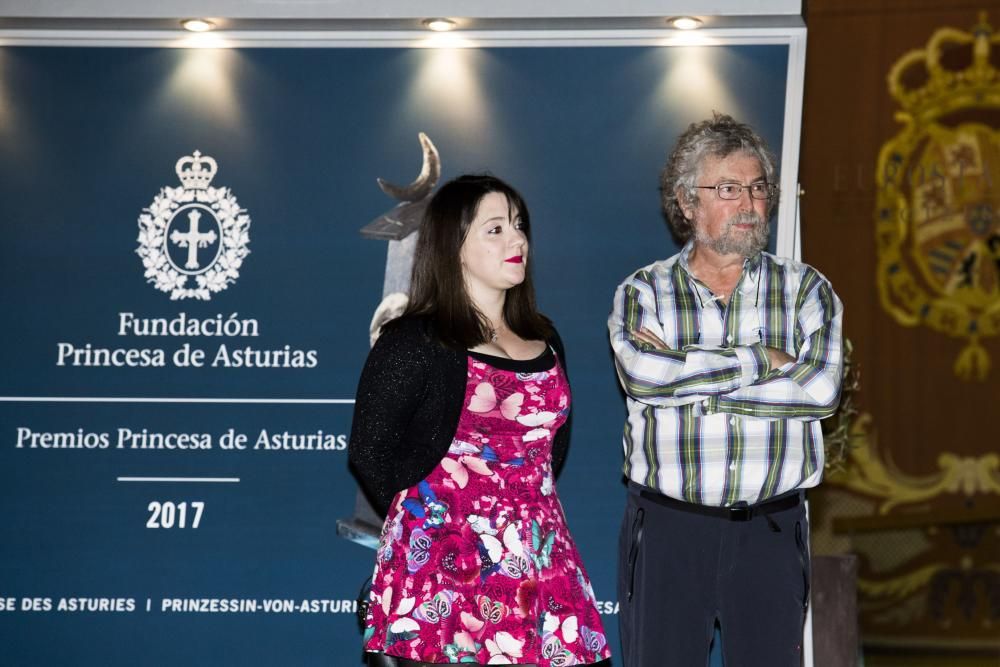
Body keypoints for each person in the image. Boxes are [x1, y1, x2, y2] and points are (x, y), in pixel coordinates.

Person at [608, 113, 844, 667]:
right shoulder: (645, 291)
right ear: (687, 203)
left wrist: (690, 383)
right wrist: (764, 360)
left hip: (771, 528)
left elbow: (820, 392)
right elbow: (645, 376)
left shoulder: (806, 288)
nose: (749, 203)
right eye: (729, 188)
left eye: (758, 187)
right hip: (668, 530)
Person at [350, 174, 611, 667]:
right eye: (495, 229)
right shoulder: (413, 341)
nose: (517, 239)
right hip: (444, 573)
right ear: (455, 246)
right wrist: (431, 521)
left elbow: (550, 453)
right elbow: (368, 449)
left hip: (540, 561)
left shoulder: (546, 338)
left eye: (518, 225)